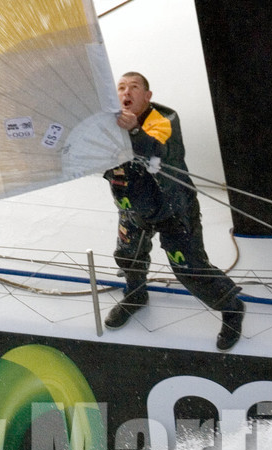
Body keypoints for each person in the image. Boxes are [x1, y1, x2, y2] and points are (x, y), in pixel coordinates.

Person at [103, 72, 245, 350]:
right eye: (120, 88)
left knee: (189, 268)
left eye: (133, 87)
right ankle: (136, 295)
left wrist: (133, 130)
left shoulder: (163, 121)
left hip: (173, 209)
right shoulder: (108, 123)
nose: (125, 92)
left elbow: (157, 152)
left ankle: (232, 307)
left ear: (147, 96)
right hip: (133, 208)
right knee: (128, 255)